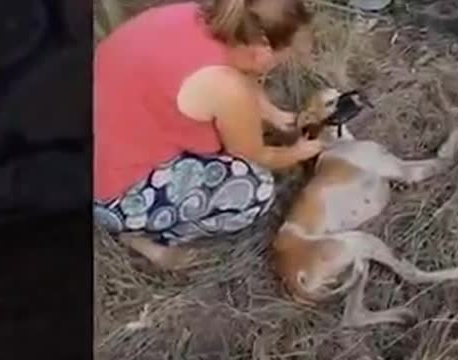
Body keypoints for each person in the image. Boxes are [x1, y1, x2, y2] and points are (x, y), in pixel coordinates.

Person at [93, 0, 322, 270]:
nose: (281, 65)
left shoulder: (202, 15)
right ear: (263, 49)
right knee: (255, 189)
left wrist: (273, 115)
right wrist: (301, 152)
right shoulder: (225, 85)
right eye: (284, 56)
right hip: (112, 193)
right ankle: (138, 235)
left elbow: (242, 71)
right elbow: (257, 155)